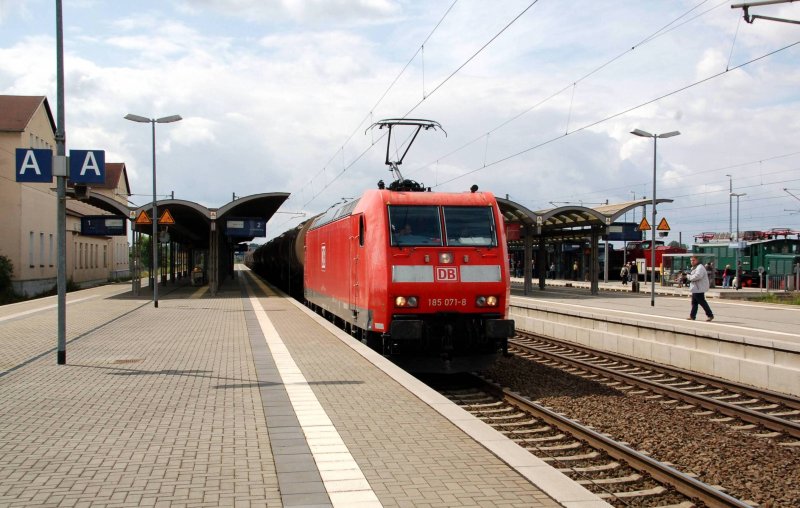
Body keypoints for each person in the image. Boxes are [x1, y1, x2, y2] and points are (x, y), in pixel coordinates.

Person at [686, 255, 714, 321]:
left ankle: (710, 315)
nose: (692, 262)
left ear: (697, 260)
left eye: (693, 260)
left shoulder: (700, 267)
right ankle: (692, 316)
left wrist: (688, 276)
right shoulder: (695, 267)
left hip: (699, 288)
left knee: (702, 302)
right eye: (691, 260)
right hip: (696, 288)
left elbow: (697, 276)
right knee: (694, 303)